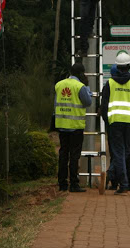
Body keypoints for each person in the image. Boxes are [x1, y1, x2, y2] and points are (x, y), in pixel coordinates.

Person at [101, 53, 130, 194]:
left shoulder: (110, 83)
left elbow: (103, 106)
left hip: (115, 123)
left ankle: (115, 177)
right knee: (124, 153)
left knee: (120, 153)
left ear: (117, 67)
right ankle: (124, 183)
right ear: (129, 66)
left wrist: (107, 122)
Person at [54, 63, 92, 192]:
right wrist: (87, 87)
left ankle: (62, 183)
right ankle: (74, 184)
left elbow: (55, 104)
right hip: (75, 126)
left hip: (61, 125)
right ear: (82, 73)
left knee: (63, 154)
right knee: (74, 156)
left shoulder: (59, 85)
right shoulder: (80, 86)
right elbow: (88, 102)